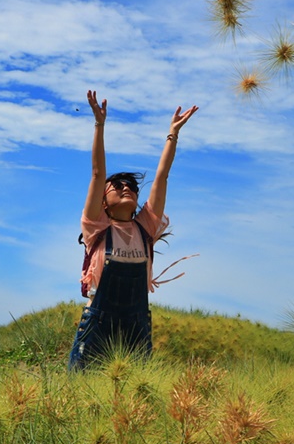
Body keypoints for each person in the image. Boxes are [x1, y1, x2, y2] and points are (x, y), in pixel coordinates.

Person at [67, 89, 198, 370]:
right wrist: (99, 125)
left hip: (137, 323)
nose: (127, 188)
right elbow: (97, 174)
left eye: (132, 187)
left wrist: (173, 133)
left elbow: (162, 177)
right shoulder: (97, 226)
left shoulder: (146, 227)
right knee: (81, 390)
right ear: (103, 200)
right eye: (118, 186)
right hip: (98, 324)